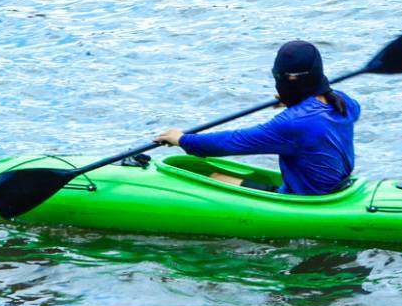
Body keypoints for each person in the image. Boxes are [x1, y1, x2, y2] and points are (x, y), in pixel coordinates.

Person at [153, 40, 359, 195]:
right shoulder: (344, 102)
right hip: (339, 188)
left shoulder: (294, 123)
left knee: (216, 178)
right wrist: (294, 102)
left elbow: (232, 142)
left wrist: (182, 139)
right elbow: (319, 119)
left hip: (305, 198)